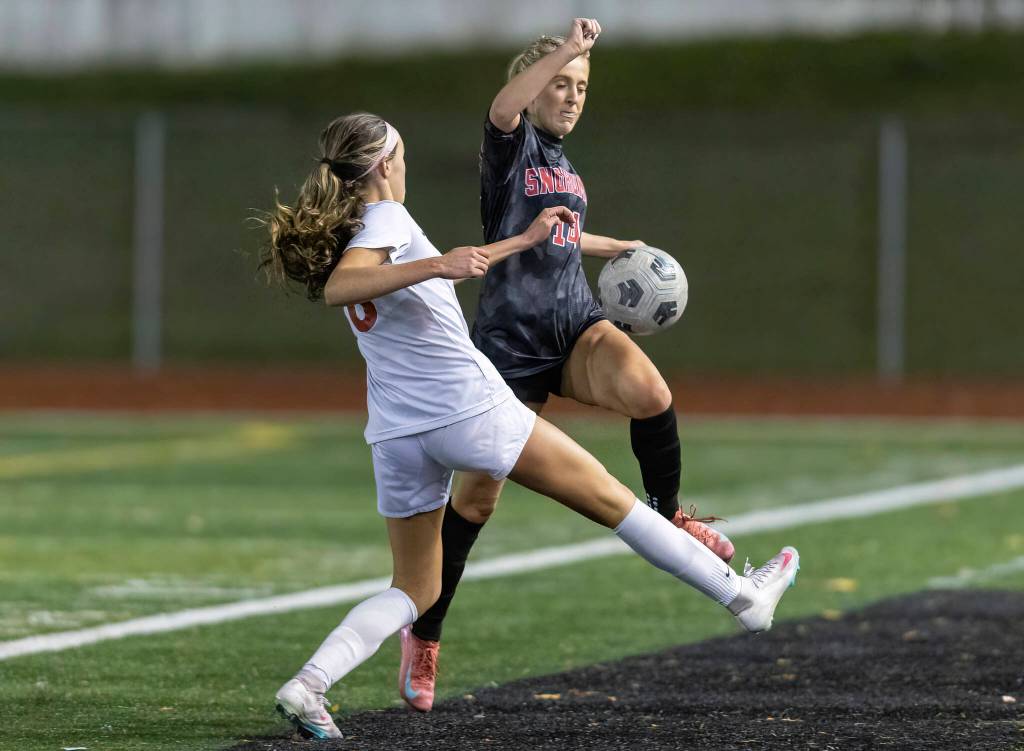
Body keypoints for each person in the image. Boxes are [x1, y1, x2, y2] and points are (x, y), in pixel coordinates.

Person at [258, 112, 800, 740]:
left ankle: (310, 683)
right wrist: (437, 267)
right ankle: (744, 599)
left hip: (397, 432)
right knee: (615, 501)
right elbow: (343, 287)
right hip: (468, 410)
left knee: (415, 588)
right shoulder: (386, 220)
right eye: (400, 154)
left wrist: (523, 239)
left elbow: (437, 267)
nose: (404, 165)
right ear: (383, 165)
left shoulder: (364, 224)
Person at [399, 18, 734, 712]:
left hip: (575, 325)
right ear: (536, 83)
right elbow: (501, 108)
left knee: (649, 389)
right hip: (510, 345)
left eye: (582, 86)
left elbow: (562, 232)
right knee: (476, 501)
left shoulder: (564, 163)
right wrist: (568, 47)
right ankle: (425, 633)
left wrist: (613, 246)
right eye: (562, 83)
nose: (574, 94)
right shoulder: (512, 145)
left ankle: (670, 513)